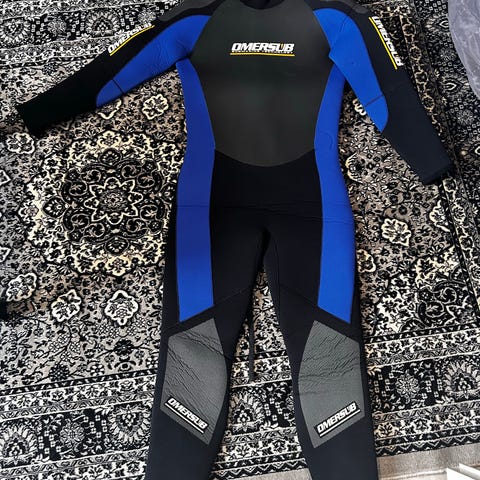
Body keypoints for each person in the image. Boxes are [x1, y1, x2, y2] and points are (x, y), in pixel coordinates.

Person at [14, 0, 454, 478]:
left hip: (305, 209)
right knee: (192, 352)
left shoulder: (335, 17)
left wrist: (429, 158)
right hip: (217, 207)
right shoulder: (198, 17)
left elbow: (389, 85)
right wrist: (40, 111)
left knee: (330, 354)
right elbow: (114, 67)